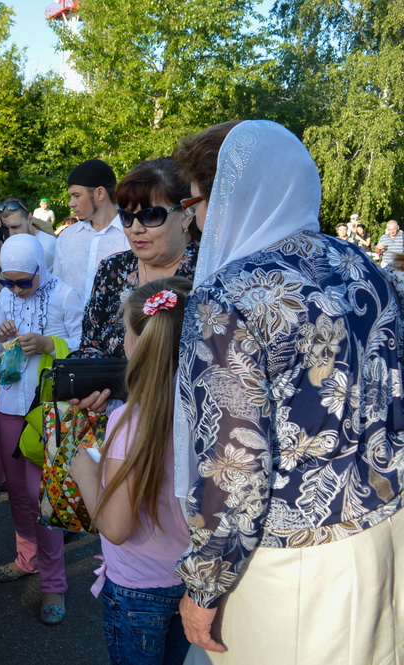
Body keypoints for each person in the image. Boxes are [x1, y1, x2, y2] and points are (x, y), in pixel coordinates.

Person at [172, 119, 404, 664]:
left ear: (232, 198)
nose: (195, 218)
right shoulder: (362, 267)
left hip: (289, 569)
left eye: (195, 201)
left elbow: (235, 463)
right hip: (386, 537)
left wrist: (205, 584)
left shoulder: (227, 297)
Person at [71, 276, 193, 665]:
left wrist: (86, 475)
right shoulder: (211, 416)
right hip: (192, 581)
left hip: (138, 587)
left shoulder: (129, 422)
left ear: (138, 342)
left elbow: (117, 528)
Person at [0, 234, 84, 626]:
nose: (17, 290)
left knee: (45, 498)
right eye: (10, 282)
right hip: (9, 403)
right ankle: (27, 559)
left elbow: (83, 347)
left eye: (26, 282)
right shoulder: (6, 296)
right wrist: (0, 339)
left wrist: (48, 343)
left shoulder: (65, 296)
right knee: (20, 494)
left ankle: (54, 584)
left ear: (43, 268)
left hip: (49, 410)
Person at [75, 157, 199, 358]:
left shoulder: (208, 273)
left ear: (186, 215)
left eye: (150, 216)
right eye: (126, 216)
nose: (135, 229)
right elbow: (91, 345)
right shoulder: (112, 269)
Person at [52, 159, 131, 299]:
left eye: (76, 196)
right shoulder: (67, 238)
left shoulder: (132, 234)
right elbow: (57, 291)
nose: (71, 204)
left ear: (100, 193)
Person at [0, 198, 58, 273]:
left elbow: (9, 291)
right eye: (5, 228)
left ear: (29, 219)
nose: (11, 234)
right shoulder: (7, 235)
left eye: (15, 227)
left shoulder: (44, 247)